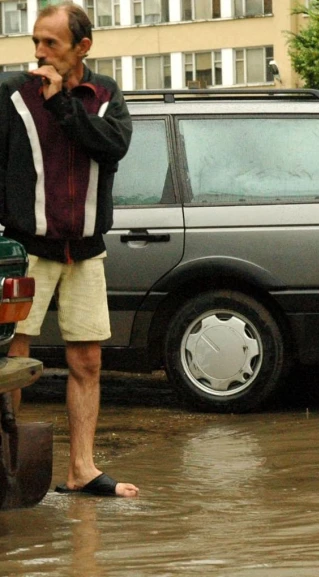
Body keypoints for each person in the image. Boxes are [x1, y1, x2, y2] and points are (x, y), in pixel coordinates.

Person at [0, 3, 137, 497]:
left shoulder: (105, 96)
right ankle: (3, 464)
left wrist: (61, 102)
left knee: (87, 362)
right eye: (35, 41)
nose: (38, 52)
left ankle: (82, 468)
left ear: (83, 47)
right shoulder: (11, 94)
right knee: (10, 358)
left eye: (50, 43)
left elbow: (112, 147)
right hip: (26, 251)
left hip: (85, 251)